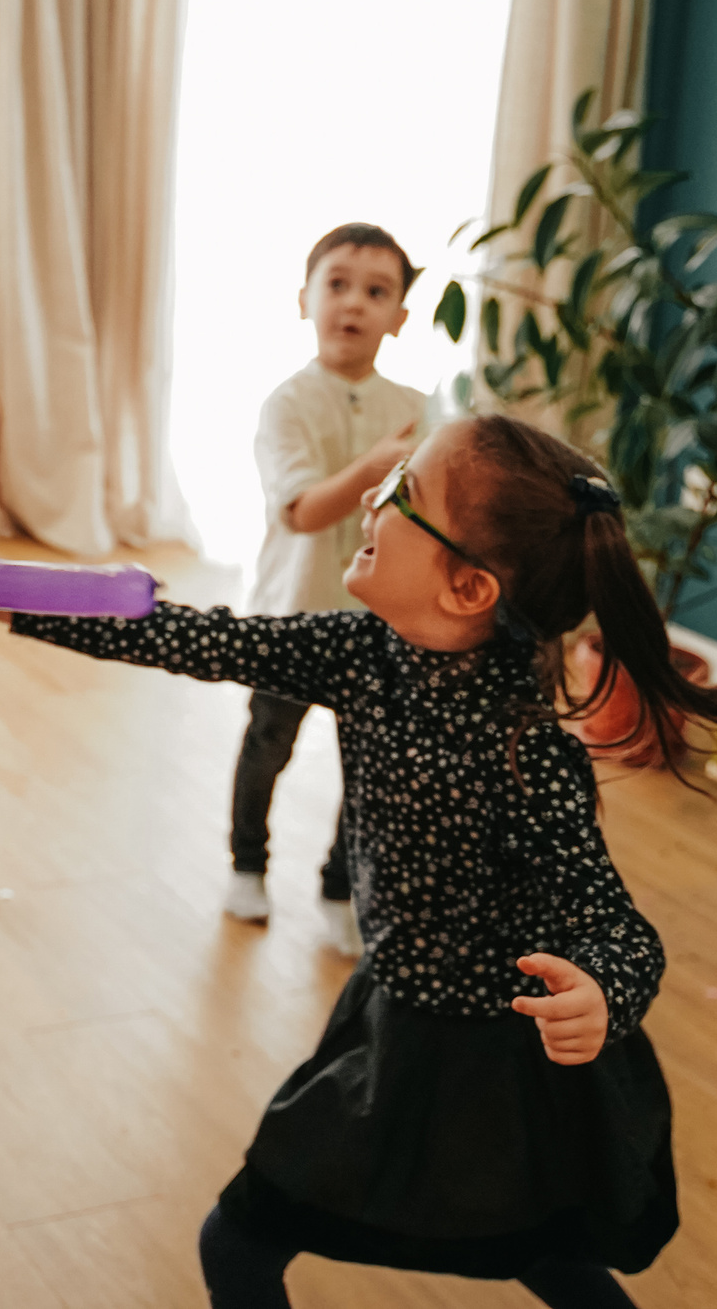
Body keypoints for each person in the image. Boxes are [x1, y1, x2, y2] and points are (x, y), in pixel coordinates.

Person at [0, 414, 717, 1308]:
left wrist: (603, 989)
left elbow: (613, 919)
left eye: (402, 492)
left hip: (496, 1060)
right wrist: (8, 600)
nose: (374, 498)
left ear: (468, 589)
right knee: (290, 1245)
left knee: (499, 1246)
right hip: (392, 1016)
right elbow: (196, 638)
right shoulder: (363, 653)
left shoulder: (525, 750)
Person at [228, 222, 428, 956]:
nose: (354, 303)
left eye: (377, 292)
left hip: (378, 623)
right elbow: (305, 510)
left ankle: (341, 885)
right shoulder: (287, 404)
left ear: (399, 317)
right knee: (267, 745)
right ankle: (247, 864)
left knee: (368, 766)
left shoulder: (414, 405)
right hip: (292, 617)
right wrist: (379, 464)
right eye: (337, 284)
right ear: (305, 298)